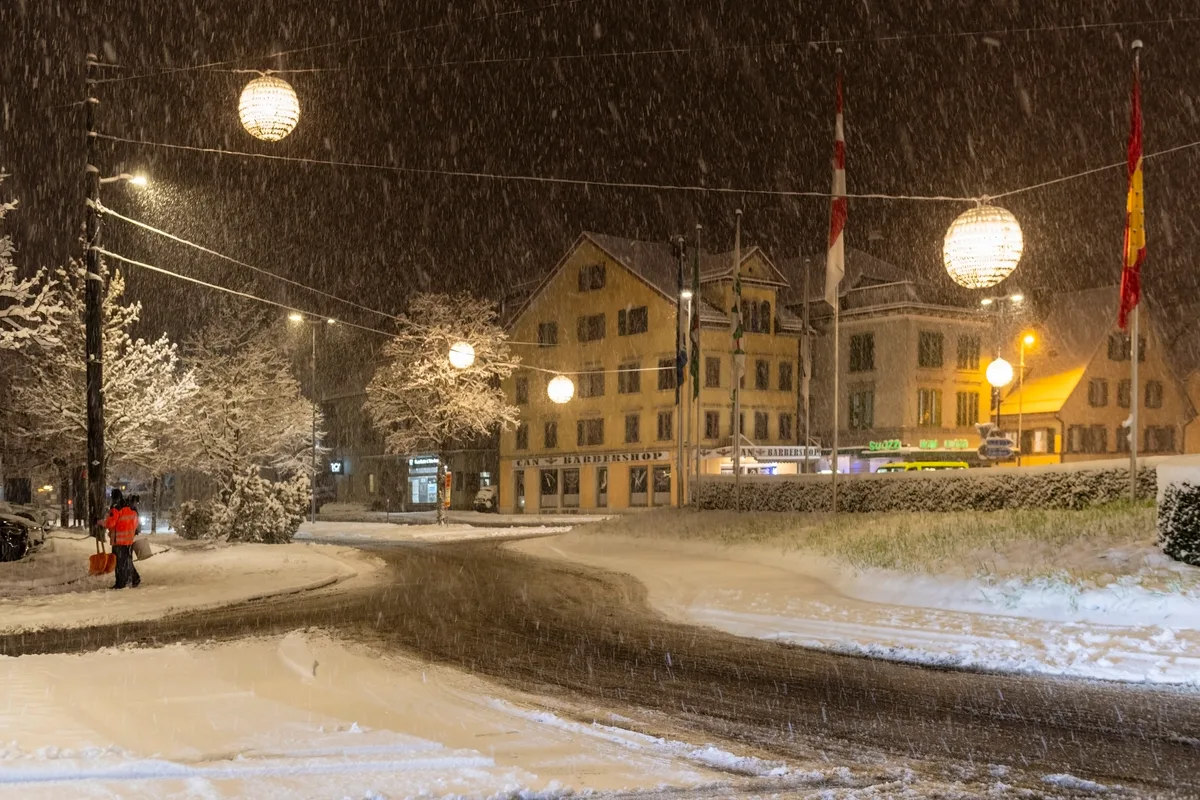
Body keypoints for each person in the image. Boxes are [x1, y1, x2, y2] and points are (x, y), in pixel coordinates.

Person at [105, 489, 140, 589]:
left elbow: (110, 523)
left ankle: (120, 583)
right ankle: (134, 578)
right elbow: (135, 522)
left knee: (119, 563)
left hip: (119, 541)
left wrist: (99, 522)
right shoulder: (129, 507)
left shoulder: (116, 508)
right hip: (128, 540)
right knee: (127, 561)